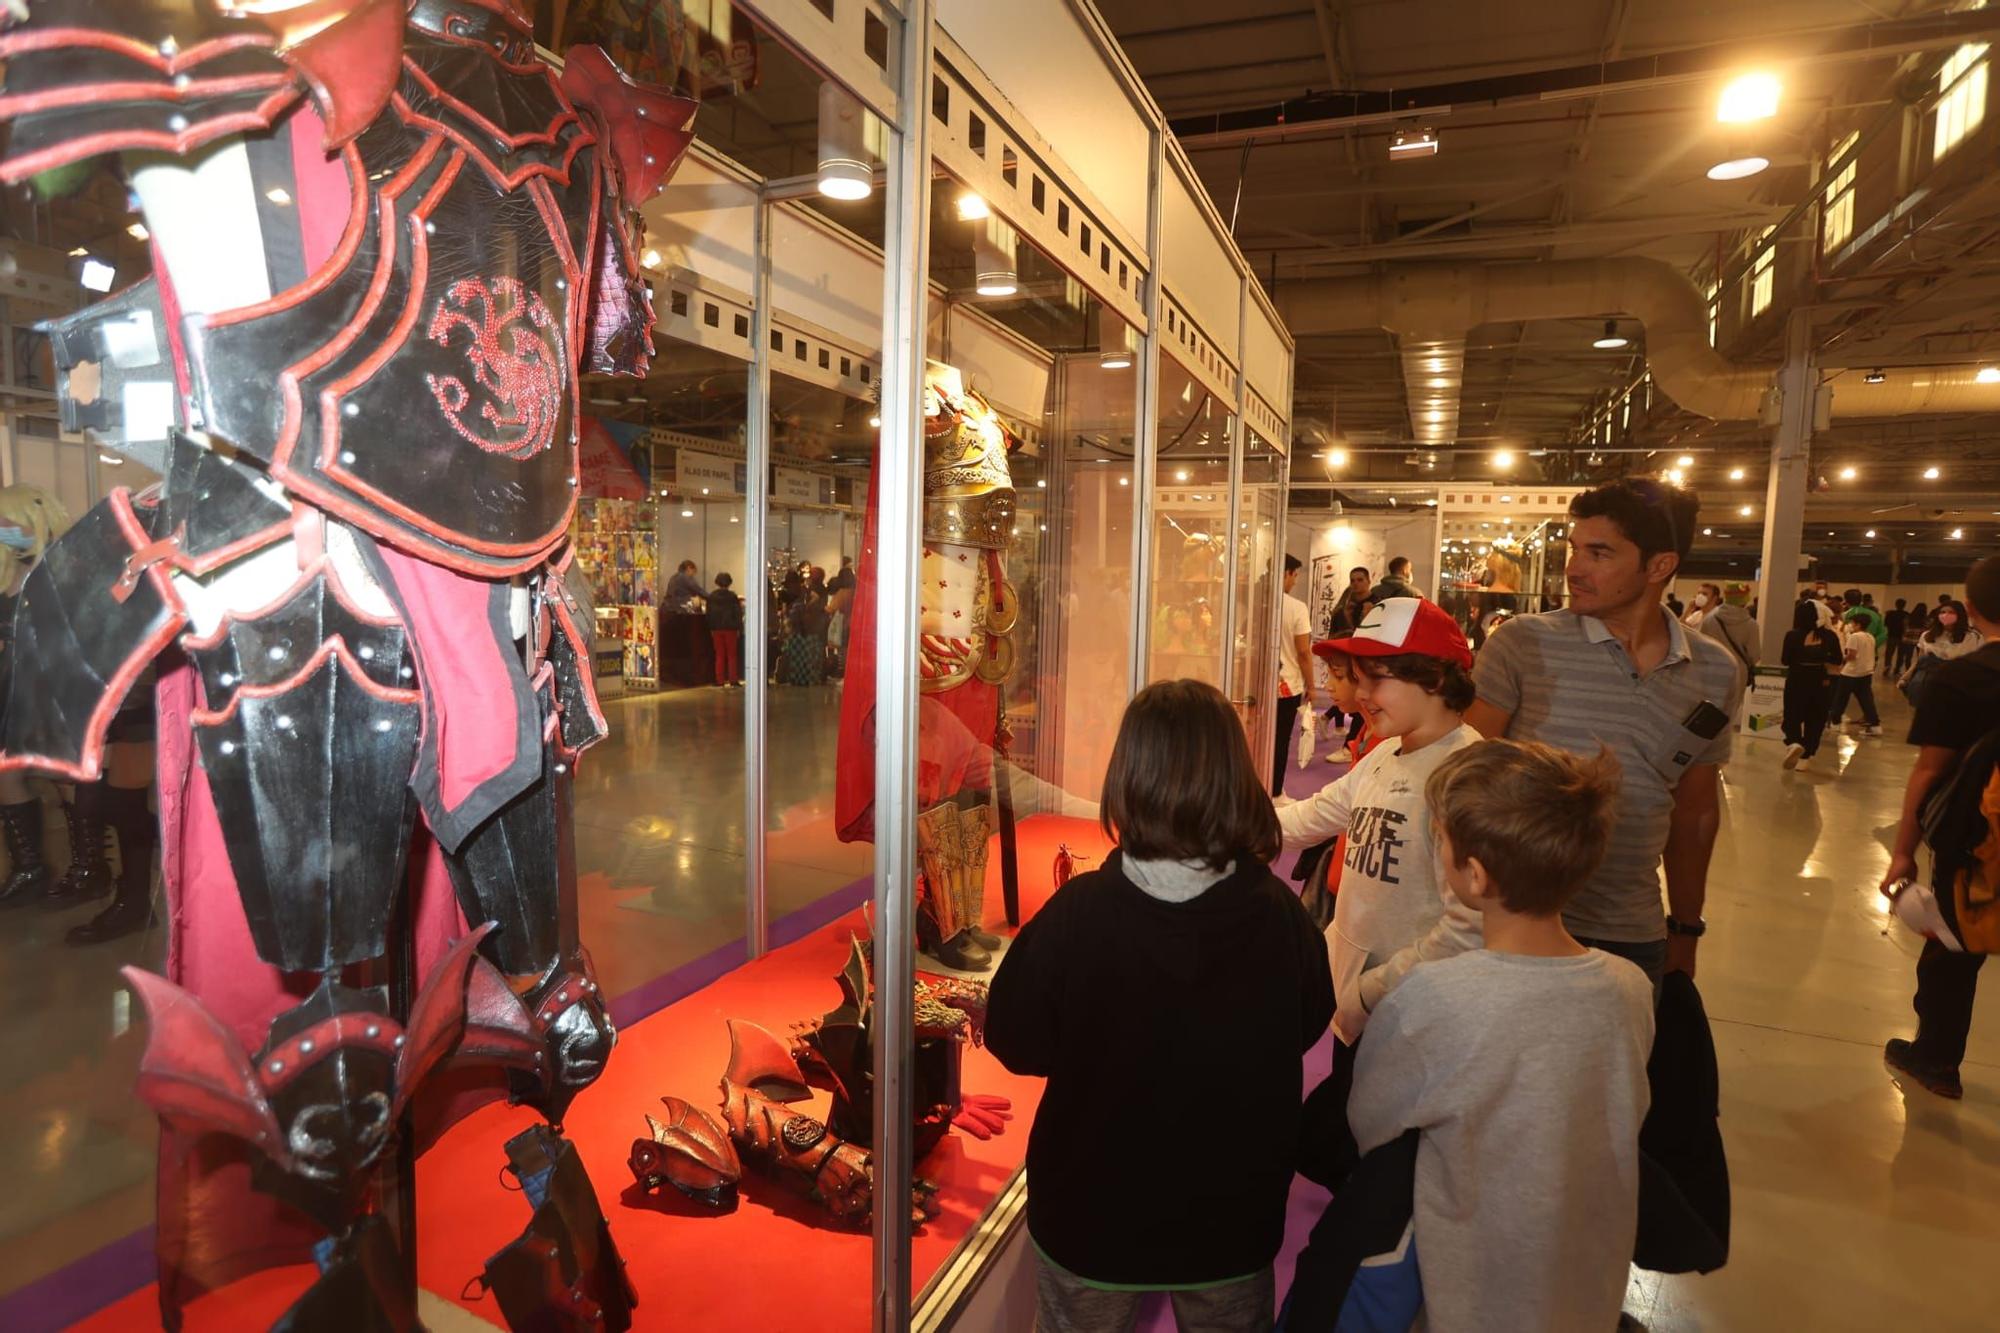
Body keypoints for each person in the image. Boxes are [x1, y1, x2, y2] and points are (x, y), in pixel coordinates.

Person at [987, 679, 1334, 1330]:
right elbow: (1310, 1017)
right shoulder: (1279, 914)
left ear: (1127, 775)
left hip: (1091, 1215)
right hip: (1232, 1215)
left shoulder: (1079, 914)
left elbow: (1016, 1037)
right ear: (1235, 776)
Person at [1345, 739, 1652, 1333]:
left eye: (1440, 841)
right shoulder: (1629, 988)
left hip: (1466, 1284)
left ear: (1475, 875)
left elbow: (1372, 1123)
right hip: (1586, 1273)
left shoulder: (1434, 999)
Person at [1466, 478, 1745, 983]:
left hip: (1631, 934)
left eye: (1599, 553)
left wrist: (1685, 928)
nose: (1574, 568)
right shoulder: (1522, 644)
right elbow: (1462, 781)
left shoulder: (1715, 670)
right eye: (1574, 549)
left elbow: (1695, 813)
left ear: (1660, 565)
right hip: (1512, 927)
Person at [1274, 598, 1483, 1184]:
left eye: (1378, 678)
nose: (1361, 694)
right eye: (1358, 678)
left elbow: (1468, 926)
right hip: (1358, 1006)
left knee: (1386, 1172)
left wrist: (1370, 992)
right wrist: (1222, 822)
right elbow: (1314, 814)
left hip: (1412, 1019)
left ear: (1437, 677)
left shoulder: (1467, 776)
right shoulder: (1384, 754)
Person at [1880, 555, 2000, 1099]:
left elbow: (1930, 770)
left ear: (1969, 610)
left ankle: (1936, 1061)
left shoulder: (1963, 679)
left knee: (1953, 951)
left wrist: (1903, 852)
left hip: (1972, 843)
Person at [1273, 554, 1318, 797]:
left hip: (1256, 685)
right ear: (1287, 573)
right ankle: (1274, 791)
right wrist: (1311, 686)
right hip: (1287, 685)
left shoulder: (1257, 601)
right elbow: (1303, 652)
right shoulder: (1296, 607)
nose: (1295, 581)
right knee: (1279, 741)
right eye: (1295, 575)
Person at [1780, 597, 1843, 770]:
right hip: (1820, 681)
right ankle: (1806, 755)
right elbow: (1838, 659)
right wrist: (1822, 659)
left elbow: (1785, 660)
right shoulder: (1830, 636)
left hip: (1796, 679)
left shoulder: (1792, 635)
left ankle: (1794, 742)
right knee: (1815, 718)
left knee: (1792, 714)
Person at [1827, 609, 1882, 736]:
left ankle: (1835, 723)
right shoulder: (1871, 637)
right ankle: (1875, 725)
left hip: (1850, 674)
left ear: (1857, 624)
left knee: (1841, 699)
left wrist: (1842, 661)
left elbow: (1851, 655)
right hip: (1866, 672)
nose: (1850, 625)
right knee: (1866, 700)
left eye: (1852, 623)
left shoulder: (1854, 636)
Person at [1697, 581, 1761, 670]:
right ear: (1745, 600)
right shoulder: (1751, 625)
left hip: (1712, 672)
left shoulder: (1709, 619)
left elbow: (1701, 648)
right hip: (1739, 675)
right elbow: (1754, 656)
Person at [705, 572, 744, 687]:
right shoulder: (732, 596)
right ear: (729, 583)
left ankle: (719, 680)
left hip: (716, 629)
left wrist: (711, 627)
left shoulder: (712, 596)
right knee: (732, 655)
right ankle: (733, 679)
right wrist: (739, 628)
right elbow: (737, 613)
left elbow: (709, 614)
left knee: (719, 654)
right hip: (731, 628)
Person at [1843, 588, 1886, 653]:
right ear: (1861, 600)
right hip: (1870, 653)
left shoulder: (1846, 614)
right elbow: (1883, 634)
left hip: (1852, 652)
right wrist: (1872, 645)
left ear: (1846, 601)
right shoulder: (1875, 615)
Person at [1885, 598, 1913, 676]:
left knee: (1889, 653)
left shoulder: (1890, 613)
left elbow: (1886, 624)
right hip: (1902, 637)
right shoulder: (1907, 614)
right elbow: (1908, 626)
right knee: (1901, 654)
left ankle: (1887, 666)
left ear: (1895, 604)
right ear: (1904, 605)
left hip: (1891, 636)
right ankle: (1897, 669)